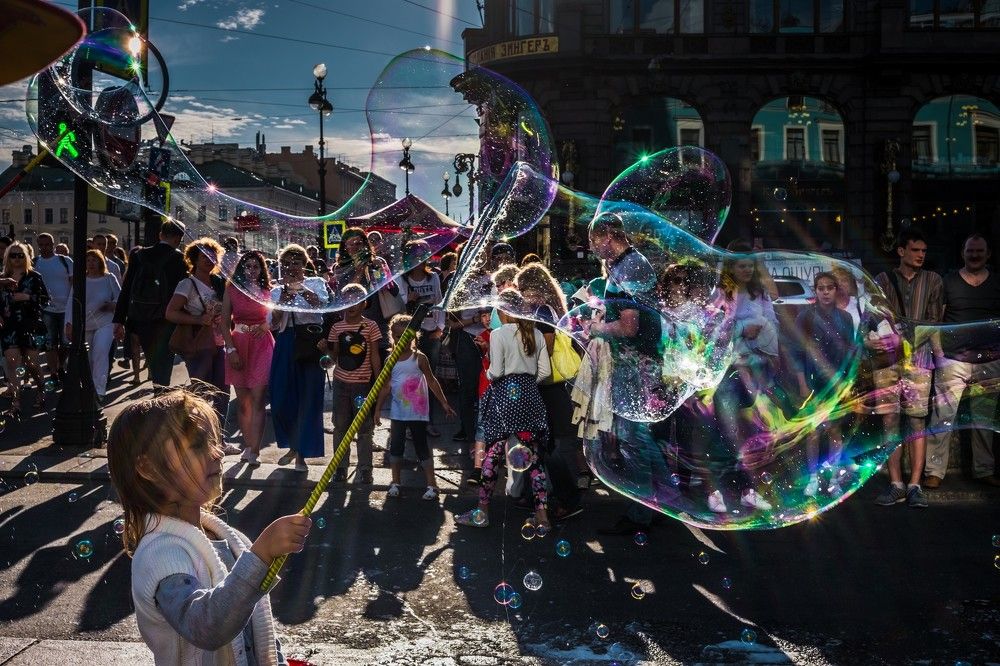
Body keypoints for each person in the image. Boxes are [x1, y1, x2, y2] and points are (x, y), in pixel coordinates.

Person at [106, 388, 310, 664]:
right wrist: (261, 555)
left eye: (214, 441)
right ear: (148, 468)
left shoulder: (227, 536)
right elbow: (206, 627)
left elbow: (256, 629)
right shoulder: (161, 554)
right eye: (197, 445)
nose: (217, 453)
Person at [456, 288, 552, 530]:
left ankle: (483, 512)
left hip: (504, 398)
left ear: (503, 310)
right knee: (534, 459)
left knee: (494, 454)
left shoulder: (498, 335)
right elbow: (546, 373)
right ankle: (543, 517)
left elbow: (496, 371)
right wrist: (527, 382)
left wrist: (489, 370)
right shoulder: (536, 334)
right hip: (530, 396)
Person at [872, 229, 943, 508]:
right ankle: (895, 484)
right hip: (887, 361)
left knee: (916, 421)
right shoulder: (882, 280)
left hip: (920, 360)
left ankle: (914, 485)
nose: (921, 256)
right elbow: (874, 317)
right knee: (889, 420)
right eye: (916, 250)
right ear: (901, 251)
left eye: (924, 251)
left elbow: (935, 321)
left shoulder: (933, 280)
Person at [924, 233, 1000, 488]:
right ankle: (934, 471)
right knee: (941, 417)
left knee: (984, 419)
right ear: (963, 253)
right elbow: (936, 318)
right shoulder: (948, 282)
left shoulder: (997, 282)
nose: (975, 255)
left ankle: (984, 469)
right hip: (953, 360)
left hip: (990, 360)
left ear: (988, 254)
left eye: (980, 251)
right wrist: (938, 353)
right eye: (970, 251)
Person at [708, 241, 778, 513]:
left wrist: (765, 339)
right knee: (726, 429)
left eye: (750, 264)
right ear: (731, 266)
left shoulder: (759, 291)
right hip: (728, 370)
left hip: (756, 368)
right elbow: (712, 330)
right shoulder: (721, 293)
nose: (747, 269)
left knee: (752, 429)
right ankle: (718, 491)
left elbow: (773, 322)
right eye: (742, 265)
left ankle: (748, 489)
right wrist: (741, 329)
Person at [516, 261, 585, 521]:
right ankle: (543, 495)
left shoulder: (542, 310)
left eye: (524, 290)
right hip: (550, 385)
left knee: (554, 445)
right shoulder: (548, 308)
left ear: (536, 288)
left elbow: (545, 345)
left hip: (549, 385)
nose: (522, 295)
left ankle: (568, 499)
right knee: (546, 443)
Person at [374, 314, 456, 500]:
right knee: (396, 447)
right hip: (398, 413)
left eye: (405, 337)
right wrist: (378, 409)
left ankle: (432, 485)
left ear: (413, 337)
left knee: (422, 447)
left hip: (417, 413)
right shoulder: (390, 361)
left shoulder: (419, 358)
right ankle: (395, 482)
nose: (400, 341)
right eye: (396, 336)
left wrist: (444, 403)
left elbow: (432, 381)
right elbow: (385, 386)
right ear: (391, 336)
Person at [791, 271, 856, 497]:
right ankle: (812, 478)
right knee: (813, 431)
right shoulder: (805, 317)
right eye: (821, 288)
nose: (826, 292)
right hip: (813, 383)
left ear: (836, 290)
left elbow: (850, 352)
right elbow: (797, 353)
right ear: (815, 291)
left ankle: (834, 477)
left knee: (835, 430)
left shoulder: (845, 318)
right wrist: (801, 383)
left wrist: (847, 383)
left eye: (830, 287)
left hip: (837, 384)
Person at [270, 244, 331, 473]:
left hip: (310, 342)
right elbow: (273, 322)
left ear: (305, 264)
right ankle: (292, 444)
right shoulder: (277, 289)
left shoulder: (316, 283)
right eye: (287, 263)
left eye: (296, 262)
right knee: (281, 398)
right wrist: (285, 294)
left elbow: (321, 306)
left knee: (309, 398)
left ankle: (301, 454)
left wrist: (301, 288)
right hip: (286, 341)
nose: (292, 267)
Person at [114, 220, 188, 387]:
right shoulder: (180, 259)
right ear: (179, 238)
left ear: (160, 235)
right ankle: (161, 392)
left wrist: (119, 320)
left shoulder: (139, 255)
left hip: (142, 316)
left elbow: (127, 289)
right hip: (168, 318)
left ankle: (158, 389)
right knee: (165, 361)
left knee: (152, 357)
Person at [322, 283, 383, 483]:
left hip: (363, 384)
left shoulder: (370, 326)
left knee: (364, 428)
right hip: (341, 383)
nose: (352, 305)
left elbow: (374, 354)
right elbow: (334, 356)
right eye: (347, 301)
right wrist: (326, 350)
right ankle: (341, 467)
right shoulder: (337, 327)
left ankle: (365, 468)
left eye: (356, 301)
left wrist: (379, 379)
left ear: (364, 303)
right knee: (340, 426)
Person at [165, 238, 230, 424]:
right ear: (194, 259)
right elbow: (170, 313)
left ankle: (220, 438)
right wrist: (198, 319)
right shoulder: (187, 284)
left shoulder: (219, 282)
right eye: (203, 256)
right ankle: (198, 436)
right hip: (199, 344)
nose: (209, 259)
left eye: (212, 255)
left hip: (220, 342)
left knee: (222, 392)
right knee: (200, 392)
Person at [222, 251, 275, 468]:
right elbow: (225, 323)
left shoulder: (267, 291)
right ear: (241, 269)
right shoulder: (232, 290)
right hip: (239, 344)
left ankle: (255, 449)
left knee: (258, 398)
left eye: (256, 267)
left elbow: (276, 314)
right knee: (243, 402)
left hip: (262, 345)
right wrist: (231, 350)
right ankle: (247, 444)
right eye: (248, 266)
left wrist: (267, 325)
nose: (252, 270)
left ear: (262, 269)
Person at [396, 240, 445, 435]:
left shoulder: (433, 277)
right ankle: (410, 423)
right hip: (409, 334)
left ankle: (428, 422)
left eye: (421, 256)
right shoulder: (402, 279)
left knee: (430, 378)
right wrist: (410, 299)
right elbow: (398, 304)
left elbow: (441, 301)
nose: (418, 260)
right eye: (414, 256)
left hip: (431, 331)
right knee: (410, 378)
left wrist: (440, 327)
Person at [64, 250, 120, 403]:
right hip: (85, 325)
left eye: (94, 260)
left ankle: (99, 390)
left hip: (105, 323)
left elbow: (119, 299)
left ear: (100, 261)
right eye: (88, 260)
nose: (91, 263)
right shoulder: (81, 280)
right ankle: (87, 387)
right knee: (86, 359)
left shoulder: (109, 278)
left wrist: (111, 306)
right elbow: (71, 302)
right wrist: (69, 324)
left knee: (100, 353)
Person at [0, 242, 50, 413]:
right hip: (9, 326)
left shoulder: (34, 276)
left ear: (26, 257)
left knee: (32, 364)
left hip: (30, 324)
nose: (16, 258)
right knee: (12, 363)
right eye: (13, 255)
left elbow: (45, 299)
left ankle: (41, 392)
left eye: (20, 255)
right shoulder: (2, 278)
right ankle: (16, 402)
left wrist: (27, 297)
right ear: (7, 257)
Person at [33, 233, 72, 388]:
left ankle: (61, 366)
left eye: (47, 244)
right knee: (49, 343)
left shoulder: (65, 261)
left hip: (66, 309)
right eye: (41, 245)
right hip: (46, 309)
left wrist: (73, 304)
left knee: (65, 343)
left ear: (53, 244)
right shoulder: (35, 262)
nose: (44, 248)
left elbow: (74, 283)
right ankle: (54, 372)